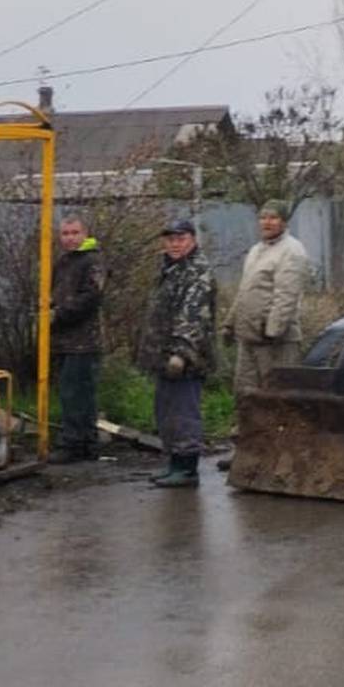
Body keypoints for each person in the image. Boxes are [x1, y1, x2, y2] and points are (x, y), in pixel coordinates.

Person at [137, 217, 216, 489]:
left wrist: (181, 354)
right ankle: (173, 461)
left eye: (180, 238)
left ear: (192, 239)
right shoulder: (170, 269)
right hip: (164, 355)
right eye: (170, 238)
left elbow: (193, 317)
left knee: (183, 412)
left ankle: (187, 468)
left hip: (187, 359)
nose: (174, 243)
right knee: (166, 411)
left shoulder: (197, 272)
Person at [230, 199, 311, 397]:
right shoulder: (257, 250)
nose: (267, 222)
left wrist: (273, 331)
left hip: (275, 342)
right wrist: (230, 323)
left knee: (275, 394)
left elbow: (286, 297)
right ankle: (246, 428)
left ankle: (277, 429)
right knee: (246, 391)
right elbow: (245, 291)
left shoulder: (292, 251)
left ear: (284, 222)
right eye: (263, 218)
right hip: (249, 336)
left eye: (273, 218)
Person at [48, 214, 108, 462]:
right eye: (65, 233)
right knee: (71, 393)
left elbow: (91, 298)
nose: (70, 238)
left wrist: (58, 314)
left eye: (74, 233)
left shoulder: (92, 261)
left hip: (84, 341)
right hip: (64, 340)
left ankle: (76, 443)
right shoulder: (64, 262)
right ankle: (83, 442)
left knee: (76, 393)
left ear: (85, 233)